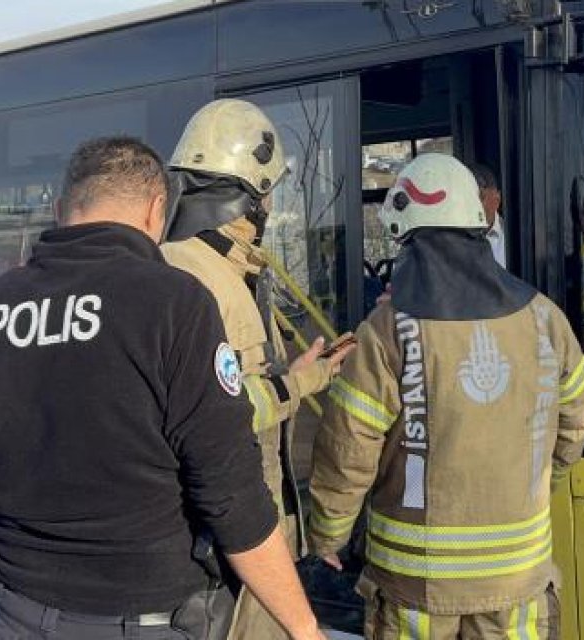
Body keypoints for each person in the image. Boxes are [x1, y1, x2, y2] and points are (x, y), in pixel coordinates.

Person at [0, 136, 326, 640]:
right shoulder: (175, 304)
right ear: (156, 211)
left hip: (11, 618)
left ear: (60, 210)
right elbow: (231, 495)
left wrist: (37, 469)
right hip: (140, 621)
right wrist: (305, 627)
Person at [308, 154, 584, 639]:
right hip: (518, 584)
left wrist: (327, 537)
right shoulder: (545, 318)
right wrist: (534, 483)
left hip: (416, 590)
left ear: (408, 238)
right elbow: (578, 419)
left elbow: (349, 448)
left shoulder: (388, 330)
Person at [160, 99, 354, 640]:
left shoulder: (219, 267)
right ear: (252, 194)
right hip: (225, 556)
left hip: (239, 544)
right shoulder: (198, 278)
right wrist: (298, 384)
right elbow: (216, 419)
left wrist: (302, 375)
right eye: (269, 191)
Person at [468, 162, 506, 268]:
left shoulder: (514, 237)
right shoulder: (454, 241)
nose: (473, 206)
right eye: (468, 199)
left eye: (480, 197)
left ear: (497, 199)